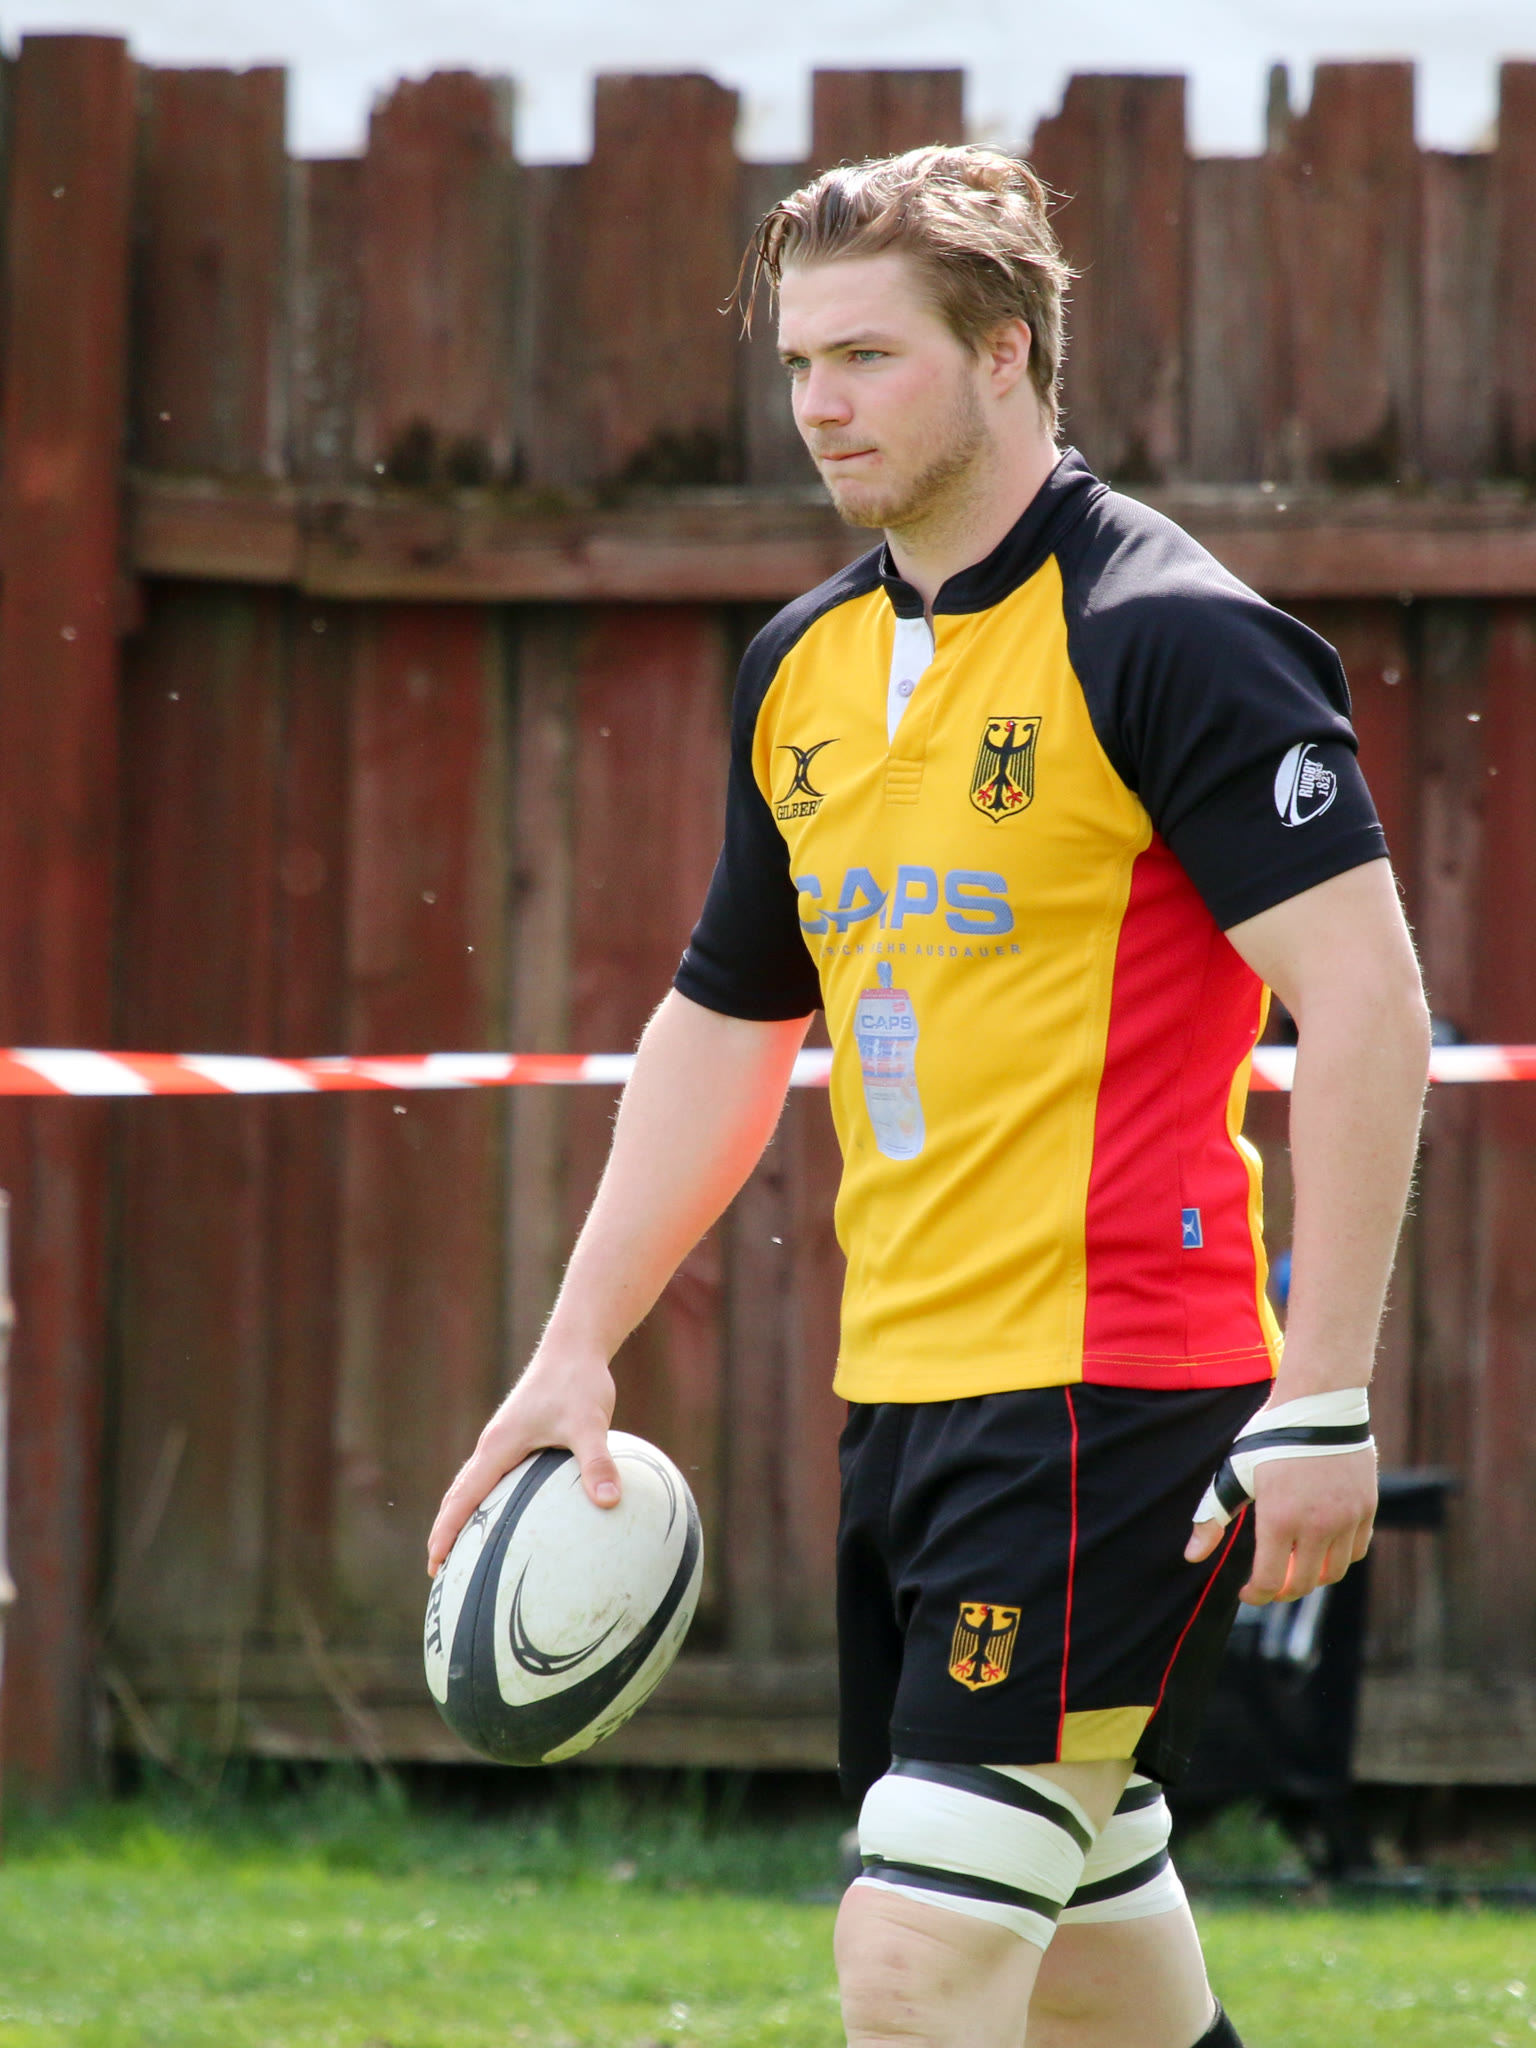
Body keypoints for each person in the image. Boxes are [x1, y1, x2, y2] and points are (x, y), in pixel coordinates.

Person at [429, 147, 1430, 2048]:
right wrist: (573, 1346)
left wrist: (1325, 1395)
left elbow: (1368, 1004)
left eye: (866, 356)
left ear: (1004, 351)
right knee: (1085, 1963)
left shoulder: (1168, 633)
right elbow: (726, 1025)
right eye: (799, 363)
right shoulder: (800, 668)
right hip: (903, 1397)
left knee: (918, 1950)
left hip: (1118, 1389)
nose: (818, 405)